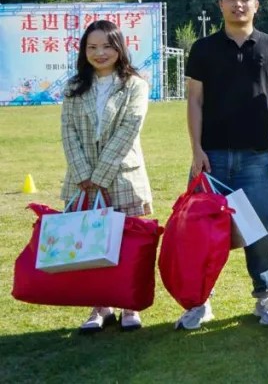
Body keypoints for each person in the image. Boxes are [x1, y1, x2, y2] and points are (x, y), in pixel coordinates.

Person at [182, 0, 268, 330]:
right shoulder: (203, 49)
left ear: (256, 4)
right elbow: (194, 100)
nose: (238, 4)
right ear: (220, 5)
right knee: (202, 232)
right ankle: (200, 300)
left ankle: (265, 296)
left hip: (256, 155)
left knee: (260, 230)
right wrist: (196, 149)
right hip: (211, 156)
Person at [61, 20, 152, 334]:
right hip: (82, 180)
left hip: (123, 177)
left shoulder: (135, 85)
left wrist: (99, 175)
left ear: (120, 48)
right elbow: (68, 132)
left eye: (106, 46)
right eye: (92, 47)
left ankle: (129, 306)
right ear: (83, 51)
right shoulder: (74, 87)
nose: (99, 53)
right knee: (89, 247)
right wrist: (84, 173)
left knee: (127, 246)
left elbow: (129, 129)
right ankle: (99, 307)